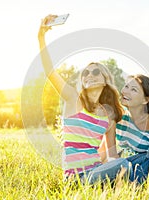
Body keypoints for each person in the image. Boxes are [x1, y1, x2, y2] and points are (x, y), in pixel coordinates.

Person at [38, 15, 125, 180]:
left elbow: (112, 155)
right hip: (75, 178)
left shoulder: (109, 116)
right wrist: (41, 37)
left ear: (106, 79)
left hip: (97, 171)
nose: (89, 75)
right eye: (85, 73)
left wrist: (117, 163)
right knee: (125, 165)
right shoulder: (73, 99)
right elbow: (50, 71)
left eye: (95, 71)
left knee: (131, 161)